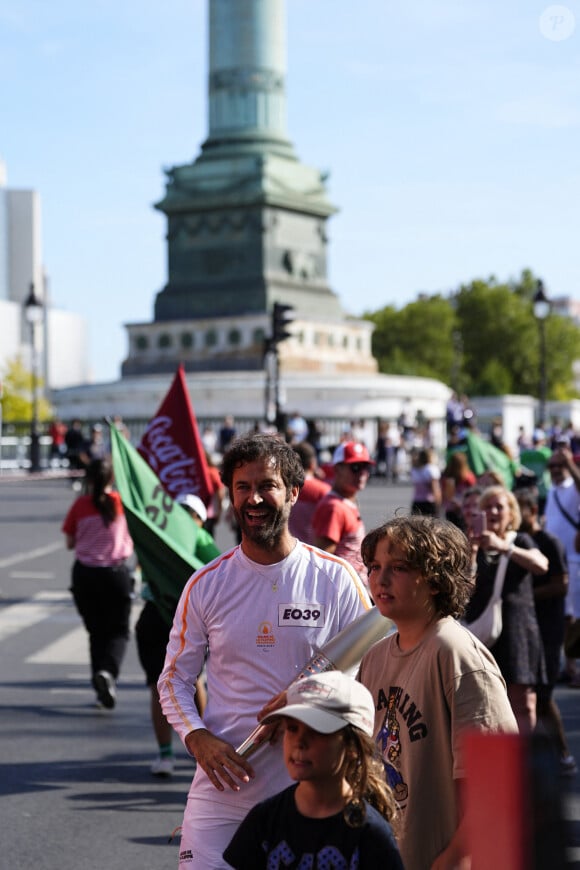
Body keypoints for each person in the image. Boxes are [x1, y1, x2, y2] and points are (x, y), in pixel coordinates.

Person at [158, 433, 371, 869]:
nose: (254, 498)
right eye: (242, 487)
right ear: (231, 495)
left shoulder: (336, 578)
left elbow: (375, 669)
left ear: (293, 492)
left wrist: (307, 699)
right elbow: (174, 680)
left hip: (311, 791)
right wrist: (197, 738)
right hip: (222, 791)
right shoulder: (206, 584)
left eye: (266, 486)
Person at [357, 515, 518, 870]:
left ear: (435, 580)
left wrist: (455, 857)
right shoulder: (374, 658)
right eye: (373, 567)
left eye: (397, 567)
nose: (380, 579)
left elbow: (497, 778)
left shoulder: (454, 651)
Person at [223, 671, 403, 869]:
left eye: (317, 730)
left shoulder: (372, 835)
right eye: (292, 728)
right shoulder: (264, 820)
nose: (299, 742)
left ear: (353, 747)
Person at [135, 492, 220, 777]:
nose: (184, 518)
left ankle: (192, 750)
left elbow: (220, 576)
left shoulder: (168, 538)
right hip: (163, 619)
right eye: (181, 512)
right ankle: (169, 753)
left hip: (180, 621)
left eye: (189, 514)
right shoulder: (196, 540)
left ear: (200, 520)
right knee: (169, 685)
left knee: (186, 683)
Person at [464, 485, 548, 733]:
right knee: (485, 705)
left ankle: (524, 762)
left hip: (517, 633)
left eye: (499, 507)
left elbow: (542, 564)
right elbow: (464, 591)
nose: (493, 511)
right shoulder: (473, 546)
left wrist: (503, 547)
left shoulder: (519, 541)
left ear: (511, 514)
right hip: (482, 635)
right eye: (487, 507)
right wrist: (472, 553)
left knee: (523, 703)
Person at [62, 458, 134, 709]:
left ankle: (100, 683)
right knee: (119, 631)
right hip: (115, 575)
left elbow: (70, 543)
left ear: (89, 479)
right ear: (111, 479)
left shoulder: (80, 505)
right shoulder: (120, 503)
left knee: (96, 632)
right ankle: (108, 672)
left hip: (85, 575)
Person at [515, 490, 577, 776]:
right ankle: (539, 759)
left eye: (518, 507)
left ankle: (563, 753)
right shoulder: (515, 541)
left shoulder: (548, 542)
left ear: (530, 509)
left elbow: (561, 584)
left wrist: (524, 595)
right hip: (525, 630)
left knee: (543, 695)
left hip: (547, 630)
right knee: (528, 697)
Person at [311, 441, 374, 584]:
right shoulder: (334, 507)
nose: (363, 473)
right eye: (356, 467)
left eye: (366, 467)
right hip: (343, 593)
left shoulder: (346, 502)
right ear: (338, 469)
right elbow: (323, 561)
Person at [544, 445, 580, 685]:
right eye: (553, 466)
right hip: (556, 561)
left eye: (560, 465)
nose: (556, 470)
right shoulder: (552, 491)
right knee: (565, 617)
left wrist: (570, 464)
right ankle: (569, 666)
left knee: (577, 616)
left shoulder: (573, 488)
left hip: (574, 560)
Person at [288, 441, 331, 545]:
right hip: (314, 549)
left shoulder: (283, 488)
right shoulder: (324, 490)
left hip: (289, 549)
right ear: (312, 463)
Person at [441, 450, 476, 530]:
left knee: (452, 530)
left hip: (452, 508)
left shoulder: (447, 476)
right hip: (464, 508)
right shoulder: (468, 476)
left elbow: (446, 494)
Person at [410, 447, 442, 516]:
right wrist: (439, 504)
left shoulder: (415, 469)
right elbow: (435, 489)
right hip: (429, 501)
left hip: (417, 501)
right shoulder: (431, 469)